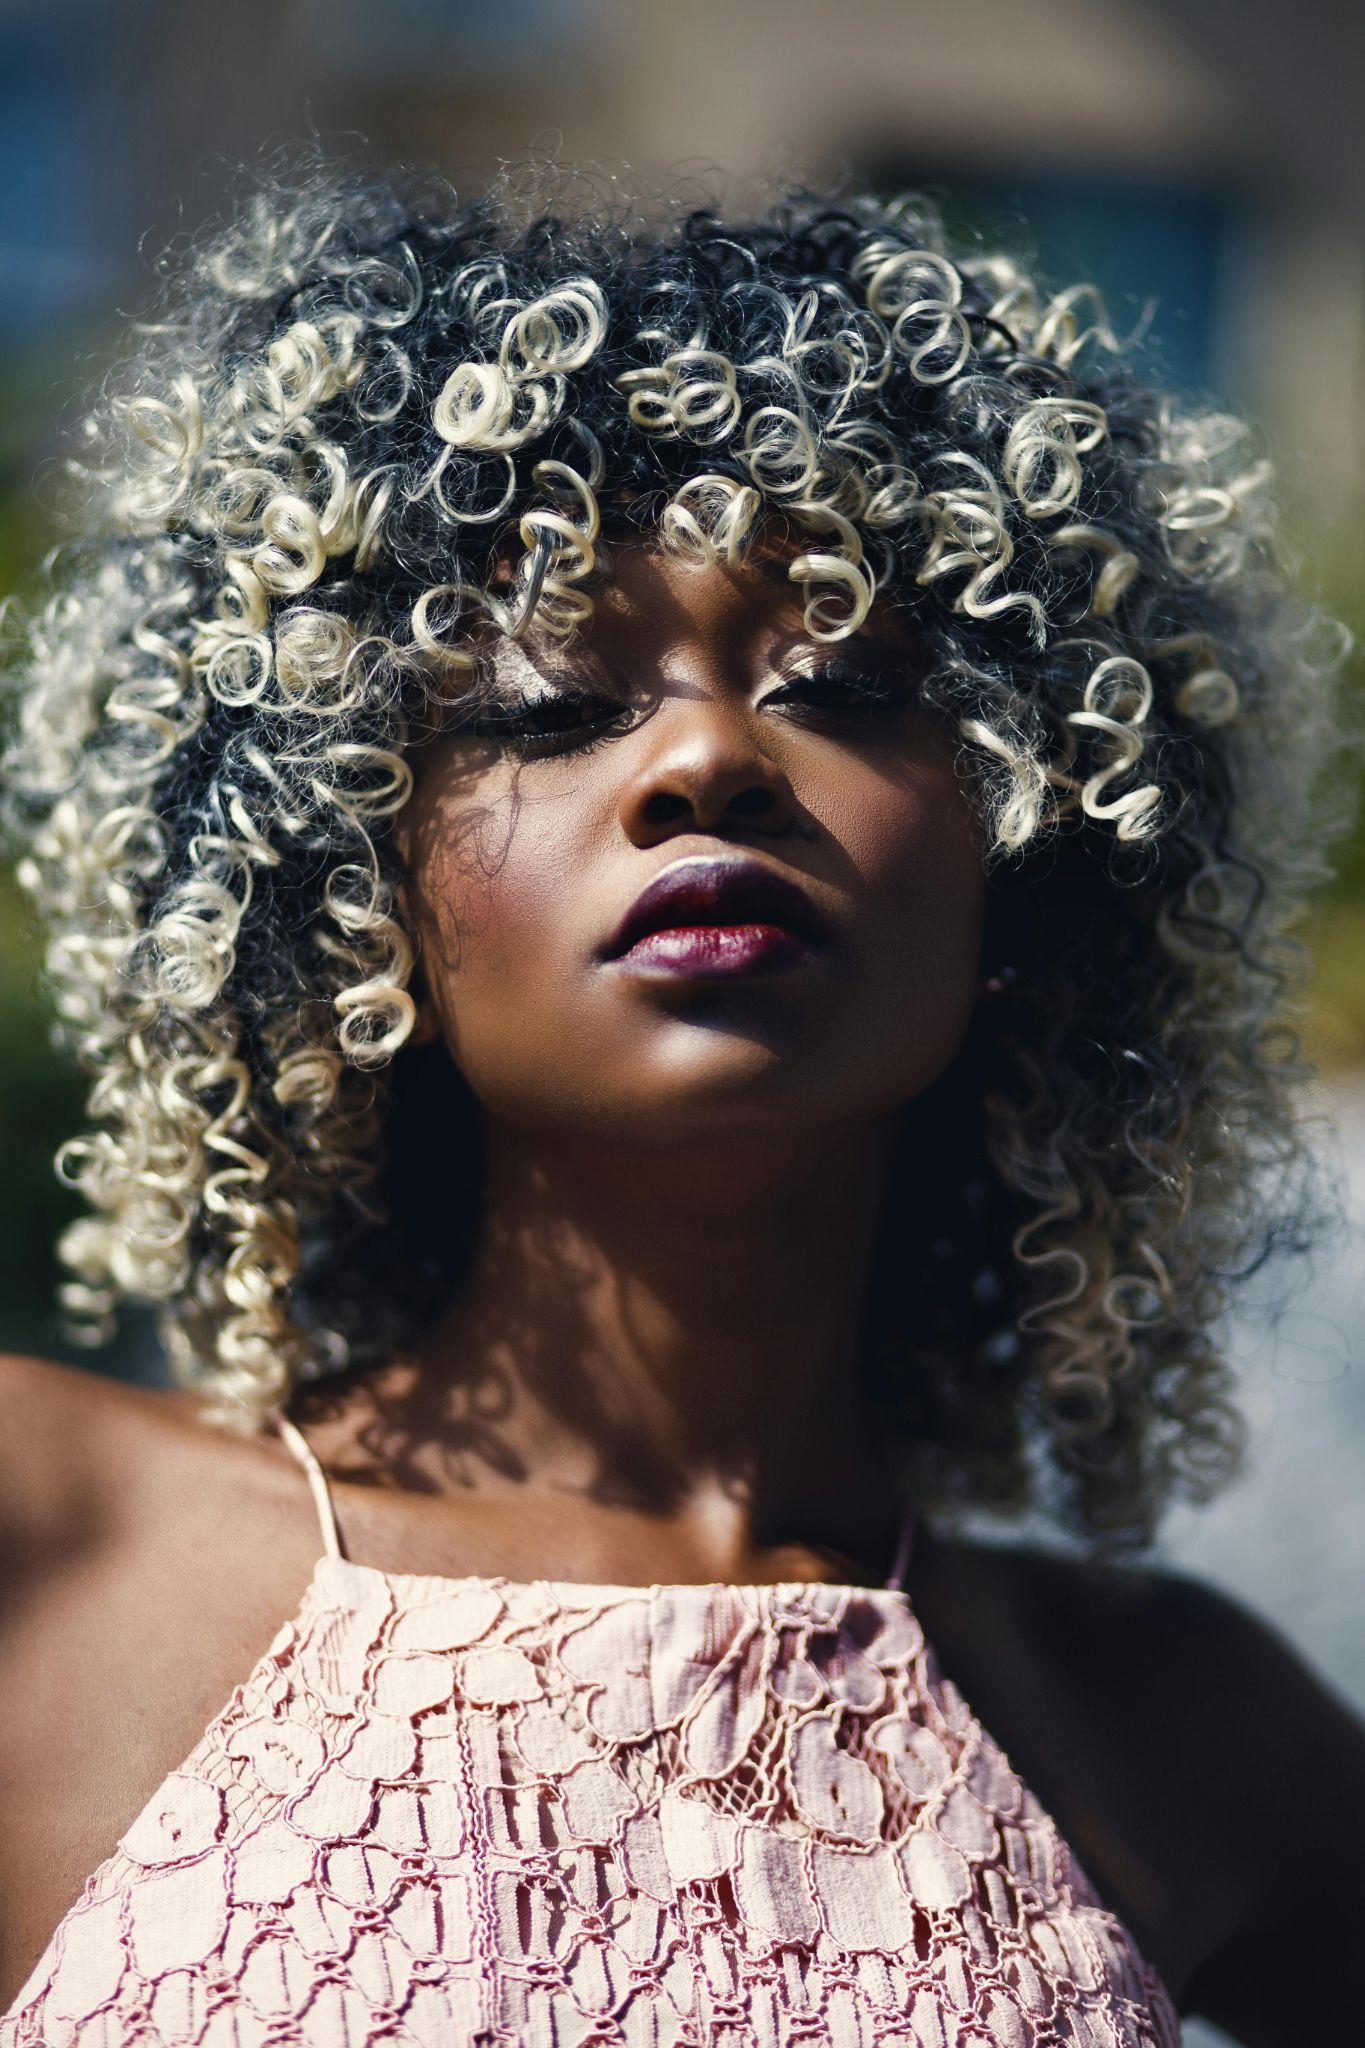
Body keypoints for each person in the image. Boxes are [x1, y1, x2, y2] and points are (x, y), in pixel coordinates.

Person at [0, 153, 1361, 2046]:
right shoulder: (49, 1542)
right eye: (553, 708)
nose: (709, 753)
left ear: (1037, 853)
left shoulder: (1166, 1728)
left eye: (849, 686)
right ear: (338, 883)